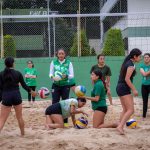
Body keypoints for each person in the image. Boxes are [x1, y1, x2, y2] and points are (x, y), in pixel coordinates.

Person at [0, 57, 36, 136]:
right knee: (19, 117)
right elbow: (24, 85)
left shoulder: (1, 73)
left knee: (2, 120)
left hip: (6, 96)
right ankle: (22, 134)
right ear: (13, 63)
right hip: (16, 96)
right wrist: (31, 92)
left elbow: (1, 88)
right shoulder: (18, 73)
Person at [116, 48, 142, 135]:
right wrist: (134, 89)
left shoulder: (126, 63)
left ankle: (119, 125)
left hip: (119, 87)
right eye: (139, 56)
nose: (140, 58)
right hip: (124, 87)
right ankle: (120, 126)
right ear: (135, 56)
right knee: (131, 110)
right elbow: (127, 79)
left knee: (125, 109)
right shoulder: (131, 65)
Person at [49, 48, 74, 127]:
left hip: (65, 85)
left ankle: (65, 122)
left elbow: (72, 75)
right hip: (55, 85)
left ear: (65, 55)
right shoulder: (53, 62)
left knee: (65, 104)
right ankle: (54, 121)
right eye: (59, 54)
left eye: (62, 53)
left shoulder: (69, 63)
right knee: (55, 103)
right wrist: (53, 77)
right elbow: (50, 73)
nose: (61, 55)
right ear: (57, 54)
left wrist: (66, 76)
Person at [140, 53, 150, 120]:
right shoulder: (141, 66)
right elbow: (144, 74)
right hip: (144, 86)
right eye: (145, 57)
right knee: (145, 101)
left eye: (147, 57)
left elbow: (145, 74)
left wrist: (146, 73)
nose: (146, 58)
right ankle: (144, 116)